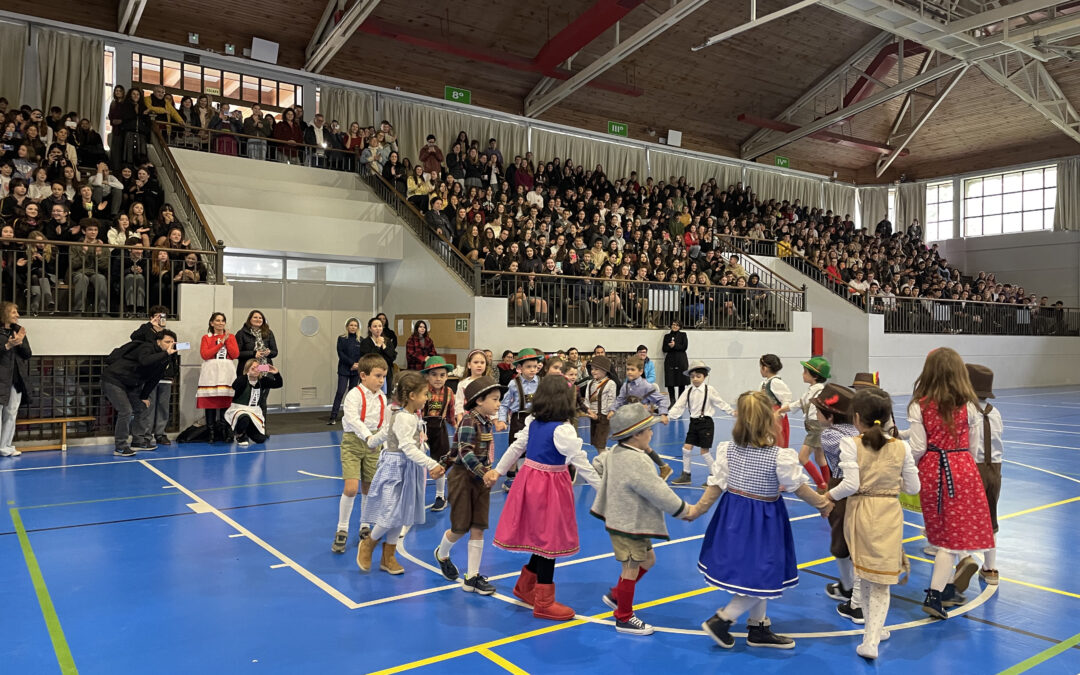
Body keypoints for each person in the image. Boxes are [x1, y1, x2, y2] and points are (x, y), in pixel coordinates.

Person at [687, 390, 832, 650]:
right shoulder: (778, 456)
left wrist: (698, 510)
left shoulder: (728, 450)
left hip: (732, 517)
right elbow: (799, 487)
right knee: (763, 574)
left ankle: (758, 627)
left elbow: (716, 485)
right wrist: (823, 504)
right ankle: (723, 619)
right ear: (770, 421)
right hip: (763, 522)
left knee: (753, 574)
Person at [485, 375, 601, 621]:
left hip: (529, 481)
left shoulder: (534, 422)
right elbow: (581, 461)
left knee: (541, 539)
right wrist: (603, 489)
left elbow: (516, 448)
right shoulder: (563, 430)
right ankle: (544, 602)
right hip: (549, 487)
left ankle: (525, 586)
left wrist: (499, 470)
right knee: (549, 542)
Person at [826, 388, 920, 660]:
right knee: (881, 579)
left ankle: (872, 636)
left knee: (865, 573)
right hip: (889, 511)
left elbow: (851, 484)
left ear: (856, 418)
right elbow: (914, 486)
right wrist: (891, 485)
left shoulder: (850, 444)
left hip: (860, 511)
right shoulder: (901, 446)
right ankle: (873, 633)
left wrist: (828, 496)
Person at [906, 347, 994, 619]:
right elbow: (973, 446)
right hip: (963, 467)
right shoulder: (969, 405)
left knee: (944, 534)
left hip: (934, 468)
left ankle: (939, 592)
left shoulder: (918, 405)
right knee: (955, 533)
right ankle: (942, 590)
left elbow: (918, 446)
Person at [591, 403, 690, 636]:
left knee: (648, 559)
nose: (652, 433)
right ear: (636, 435)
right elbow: (657, 491)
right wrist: (684, 510)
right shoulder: (637, 460)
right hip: (628, 524)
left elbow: (597, 464)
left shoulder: (616, 452)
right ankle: (623, 617)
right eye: (648, 429)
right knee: (631, 566)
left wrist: (614, 485)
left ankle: (616, 595)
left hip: (625, 520)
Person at [356, 371, 446, 575]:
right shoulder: (404, 418)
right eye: (424, 394)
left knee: (402, 512)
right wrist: (431, 463)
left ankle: (388, 557)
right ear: (412, 396)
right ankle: (369, 543)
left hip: (408, 468)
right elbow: (407, 446)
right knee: (390, 512)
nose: (427, 398)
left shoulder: (407, 415)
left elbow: (386, 432)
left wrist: (372, 441)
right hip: (397, 468)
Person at [433, 376, 506, 595]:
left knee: (478, 526)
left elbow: (456, 448)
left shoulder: (485, 421)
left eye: (499, 399)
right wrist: (445, 465)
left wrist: (484, 473)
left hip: (480, 479)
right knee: (460, 527)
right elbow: (463, 451)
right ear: (479, 400)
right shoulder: (468, 420)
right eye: (494, 399)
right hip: (464, 478)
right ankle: (442, 554)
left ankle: (472, 577)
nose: (498, 404)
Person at [812, 383, 863, 622]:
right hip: (866, 491)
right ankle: (855, 588)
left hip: (842, 488)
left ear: (830, 416)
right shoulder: (859, 431)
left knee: (841, 542)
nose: (816, 415)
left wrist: (828, 497)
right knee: (860, 542)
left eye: (819, 411)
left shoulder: (831, 435)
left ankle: (850, 589)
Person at [331, 353, 390, 554]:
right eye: (378, 376)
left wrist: (382, 441)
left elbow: (386, 425)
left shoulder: (383, 397)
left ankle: (365, 524)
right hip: (354, 442)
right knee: (351, 488)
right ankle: (342, 529)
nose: (381, 381)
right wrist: (368, 437)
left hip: (374, 446)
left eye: (384, 377)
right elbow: (353, 420)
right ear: (363, 375)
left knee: (369, 488)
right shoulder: (354, 395)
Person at [102, 328, 178, 457]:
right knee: (125, 411)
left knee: (142, 407)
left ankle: (138, 441)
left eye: (173, 342)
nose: (170, 345)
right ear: (158, 342)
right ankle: (120, 447)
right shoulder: (146, 347)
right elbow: (145, 360)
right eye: (167, 341)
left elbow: (154, 379)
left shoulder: (165, 359)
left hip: (131, 384)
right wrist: (165, 354)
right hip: (114, 380)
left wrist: (143, 396)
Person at [963, 363, 1002, 586]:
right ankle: (991, 568)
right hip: (995, 469)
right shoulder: (995, 412)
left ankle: (961, 559)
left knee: (960, 515)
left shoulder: (965, 411)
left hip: (972, 467)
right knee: (991, 517)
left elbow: (968, 443)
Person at [668, 360, 734, 486]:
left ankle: (715, 475)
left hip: (706, 423)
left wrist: (731, 412)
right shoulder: (688, 391)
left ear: (705, 376)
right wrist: (669, 416)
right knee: (686, 449)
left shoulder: (709, 390)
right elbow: (678, 405)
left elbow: (720, 402)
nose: (695, 379)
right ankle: (686, 475)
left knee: (705, 452)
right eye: (692, 377)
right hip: (693, 423)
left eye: (698, 376)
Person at [610, 355, 672, 479]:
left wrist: (663, 414)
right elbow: (620, 400)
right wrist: (612, 410)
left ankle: (648, 472)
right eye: (627, 369)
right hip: (630, 422)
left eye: (632, 369)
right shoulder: (626, 386)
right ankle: (663, 466)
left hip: (642, 422)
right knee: (641, 447)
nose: (629, 372)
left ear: (641, 371)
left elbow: (662, 400)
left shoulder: (646, 386)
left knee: (636, 446)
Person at [496, 348, 543, 492]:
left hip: (536, 419)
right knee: (518, 448)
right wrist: (502, 420)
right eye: (528, 367)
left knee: (535, 448)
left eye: (535, 366)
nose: (532, 370)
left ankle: (530, 477)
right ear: (519, 368)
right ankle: (521, 478)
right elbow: (504, 404)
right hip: (519, 419)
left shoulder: (540, 382)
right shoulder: (513, 384)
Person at [130, 306, 179, 446]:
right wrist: (149, 325)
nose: (159, 318)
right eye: (157, 315)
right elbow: (133, 337)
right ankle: (146, 434)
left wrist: (173, 372)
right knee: (148, 405)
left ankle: (160, 433)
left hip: (165, 374)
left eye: (162, 316)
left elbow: (173, 354)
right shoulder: (146, 331)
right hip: (149, 373)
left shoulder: (169, 334)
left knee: (163, 406)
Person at [780, 356, 831, 490]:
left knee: (802, 457)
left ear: (814, 376)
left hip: (816, 427)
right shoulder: (813, 389)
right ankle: (828, 484)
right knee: (820, 457)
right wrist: (781, 409)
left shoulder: (817, 391)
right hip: (814, 426)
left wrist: (780, 410)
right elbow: (799, 403)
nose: (802, 374)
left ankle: (821, 484)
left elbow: (799, 404)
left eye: (805, 372)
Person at [196, 312, 239, 443]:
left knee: (226, 401)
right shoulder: (206, 337)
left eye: (222, 321)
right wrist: (221, 343)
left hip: (227, 371)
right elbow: (205, 354)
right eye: (218, 320)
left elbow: (235, 354)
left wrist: (227, 341)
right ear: (212, 323)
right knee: (210, 402)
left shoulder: (230, 337)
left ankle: (225, 431)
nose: (220, 323)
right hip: (211, 371)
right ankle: (211, 433)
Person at [421, 356, 456, 512]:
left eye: (442, 375)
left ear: (447, 376)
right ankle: (415, 495)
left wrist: (456, 427)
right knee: (418, 462)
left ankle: (440, 496)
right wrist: (420, 431)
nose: (438, 378)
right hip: (422, 429)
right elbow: (416, 413)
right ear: (427, 376)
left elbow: (451, 414)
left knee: (441, 462)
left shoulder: (449, 392)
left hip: (440, 429)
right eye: (434, 375)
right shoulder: (422, 391)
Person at [226, 360, 284, 446]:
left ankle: (249, 431)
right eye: (253, 368)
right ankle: (240, 435)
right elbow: (234, 387)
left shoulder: (262, 381)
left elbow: (279, 384)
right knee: (244, 417)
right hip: (239, 409)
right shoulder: (242, 380)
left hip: (254, 411)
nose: (256, 370)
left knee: (260, 440)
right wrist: (247, 375)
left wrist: (276, 373)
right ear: (247, 369)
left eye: (258, 367)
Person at [0, 303, 30, 457]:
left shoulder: (18, 331)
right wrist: (7, 345)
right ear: (4, 313)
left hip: (15, 379)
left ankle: (5, 446)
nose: (17, 315)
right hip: (1, 379)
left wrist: (19, 343)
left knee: (11, 413)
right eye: (13, 312)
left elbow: (27, 354)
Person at [329, 318, 363, 426]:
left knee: (352, 395)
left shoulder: (361, 340)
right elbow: (341, 353)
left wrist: (357, 365)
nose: (353, 327)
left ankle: (350, 417)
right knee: (340, 392)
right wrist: (351, 363)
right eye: (351, 325)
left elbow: (363, 354)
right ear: (347, 326)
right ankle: (333, 416)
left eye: (355, 325)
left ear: (357, 328)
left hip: (356, 371)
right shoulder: (342, 339)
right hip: (344, 369)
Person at [583, 354, 616, 453]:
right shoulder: (590, 383)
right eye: (592, 369)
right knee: (596, 444)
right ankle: (605, 461)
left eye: (596, 369)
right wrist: (589, 411)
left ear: (605, 370)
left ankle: (606, 464)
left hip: (604, 417)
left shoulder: (610, 383)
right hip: (592, 416)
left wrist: (609, 411)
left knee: (601, 444)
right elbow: (587, 399)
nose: (593, 371)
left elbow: (611, 400)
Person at [759, 354, 792, 447]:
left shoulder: (776, 382)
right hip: (767, 416)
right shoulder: (765, 383)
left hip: (776, 418)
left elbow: (786, 400)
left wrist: (780, 415)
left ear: (765, 368)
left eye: (760, 367)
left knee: (778, 446)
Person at [235, 310, 278, 377]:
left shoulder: (269, 333)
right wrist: (254, 354)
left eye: (260, 318)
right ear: (249, 319)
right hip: (248, 369)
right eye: (255, 317)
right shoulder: (241, 333)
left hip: (264, 368)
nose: (258, 319)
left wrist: (269, 352)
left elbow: (275, 352)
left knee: (264, 385)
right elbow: (236, 354)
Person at [360, 316, 396, 394]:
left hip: (386, 374)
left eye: (380, 326)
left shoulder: (387, 341)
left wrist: (384, 347)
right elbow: (369, 358)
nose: (378, 328)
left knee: (385, 396)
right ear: (370, 328)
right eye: (375, 326)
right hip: (370, 373)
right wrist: (378, 346)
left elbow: (392, 357)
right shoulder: (365, 342)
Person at [454, 349, 490, 425]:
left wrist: (495, 420)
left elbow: (492, 403)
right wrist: (459, 419)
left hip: (484, 419)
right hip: (467, 419)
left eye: (482, 362)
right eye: (476, 362)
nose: (479, 365)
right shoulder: (462, 384)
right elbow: (459, 403)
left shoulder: (489, 383)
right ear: (469, 365)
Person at [662, 320, 689, 404]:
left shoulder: (683, 335)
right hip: (670, 360)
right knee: (670, 382)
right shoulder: (667, 336)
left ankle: (680, 403)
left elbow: (684, 347)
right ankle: (672, 402)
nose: (675, 326)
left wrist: (675, 345)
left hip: (681, 360)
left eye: (677, 325)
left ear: (680, 327)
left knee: (681, 382)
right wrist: (670, 347)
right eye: (673, 324)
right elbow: (664, 349)